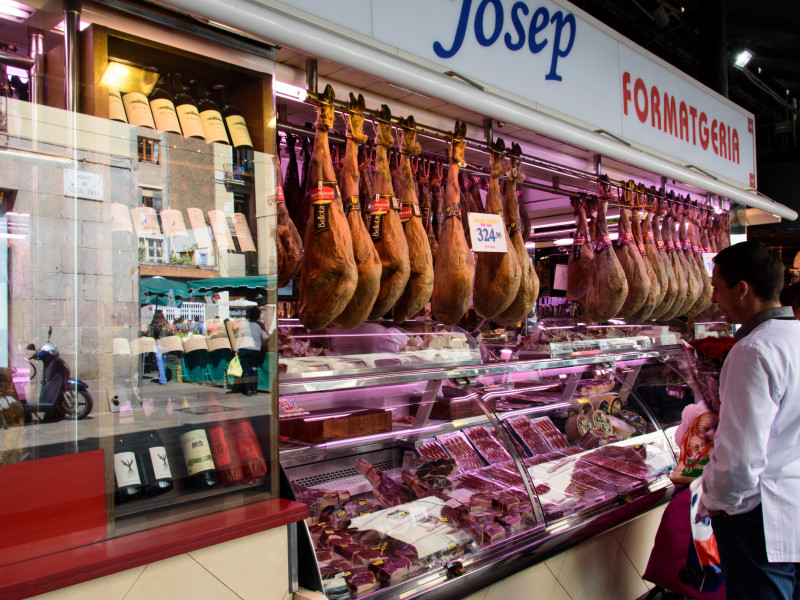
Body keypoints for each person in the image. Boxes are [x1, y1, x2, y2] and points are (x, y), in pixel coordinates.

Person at [699, 241, 800, 600]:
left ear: (743, 289)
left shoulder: (754, 350)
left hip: (758, 519)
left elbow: (740, 460)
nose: (713, 298)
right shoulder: (795, 336)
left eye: (716, 287)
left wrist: (713, 497)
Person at [235, 306, 268, 396]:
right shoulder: (260, 325)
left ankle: (248, 390)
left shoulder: (243, 325)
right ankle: (254, 390)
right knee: (254, 370)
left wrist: (236, 350)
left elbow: (239, 338)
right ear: (258, 315)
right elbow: (265, 337)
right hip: (256, 350)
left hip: (245, 349)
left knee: (246, 371)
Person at [149, 310, 172, 385]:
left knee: (160, 362)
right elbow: (170, 333)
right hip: (166, 343)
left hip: (158, 343)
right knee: (164, 361)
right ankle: (162, 377)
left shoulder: (155, 324)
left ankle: (162, 379)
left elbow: (152, 334)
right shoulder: (166, 323)